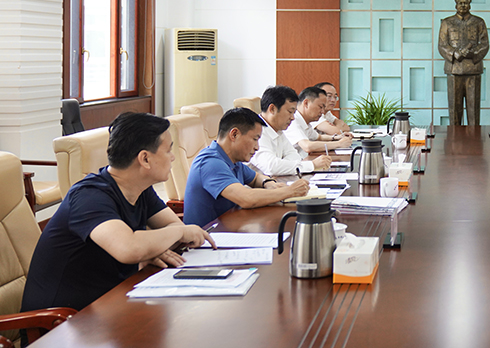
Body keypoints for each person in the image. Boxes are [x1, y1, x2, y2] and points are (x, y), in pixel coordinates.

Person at [21, 112, 215, 312]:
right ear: (145, 159)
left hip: (108, 304)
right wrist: (174, 236)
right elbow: (129, 248)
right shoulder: (89, 197)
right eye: (168, 150)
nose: (173, 156)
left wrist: (152, 248)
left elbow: (172, 226)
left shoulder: (140, 189)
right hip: (61, 321)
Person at [183, 107, 310, 227]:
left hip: (228, 227)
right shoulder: (210, 163)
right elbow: (246, 198)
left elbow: (255, 178)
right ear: (234, 135)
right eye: (255, 139)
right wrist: (290, 191)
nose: (257, 147)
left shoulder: (233, 161)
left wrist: (269, 183)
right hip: (207, 236)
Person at [250, 85, 330, 176]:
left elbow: (295, 156)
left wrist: (282, 166)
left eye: (294, 113)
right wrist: (312, 165)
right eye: (290, 112)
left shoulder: (278, 130)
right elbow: (271, 167)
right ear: (272, 109)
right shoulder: (255, 131)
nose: (292, 118)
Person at [437, 0, 490, 126]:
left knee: (473, 110)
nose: (463, 5)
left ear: (469, 5)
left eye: (465, 3)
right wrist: (455, 53)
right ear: (456, 5)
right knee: (454, 110)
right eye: (460, 3)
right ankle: (454, 137)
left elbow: (484, 44)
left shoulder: (478, 22)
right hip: (454, 69)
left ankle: (475, 137)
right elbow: (442, 45)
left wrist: (472, 53)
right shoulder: (447, 22)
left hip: (473, 69)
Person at [284, 86, 353, 154]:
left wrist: (337, 137)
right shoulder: (293, 121)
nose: (322, 111)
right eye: (320, 107)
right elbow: (307, 146)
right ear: (306, 103)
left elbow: (319, 137)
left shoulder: (305, 121)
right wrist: (339, 144)